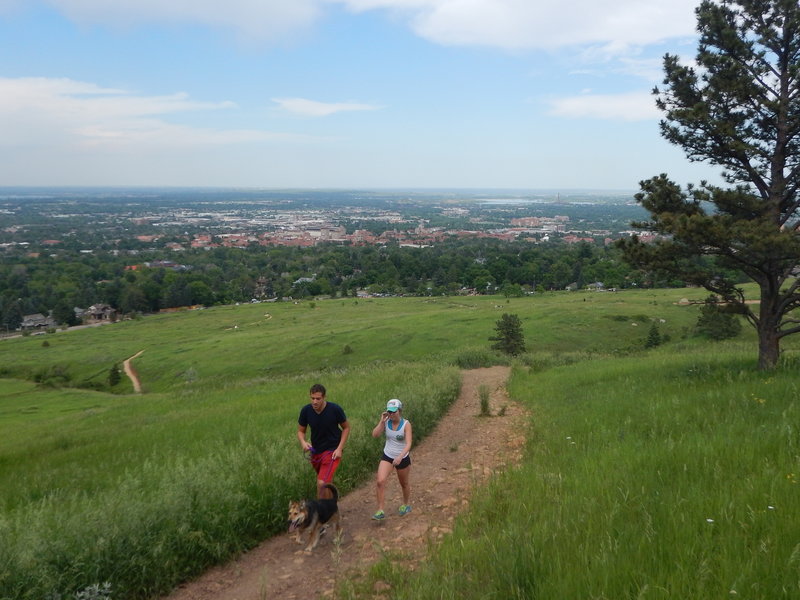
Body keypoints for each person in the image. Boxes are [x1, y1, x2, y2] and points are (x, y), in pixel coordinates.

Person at [297, 383, 350, 498]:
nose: (315, 402)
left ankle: (320, 513)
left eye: (318, 399)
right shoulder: (306, 411)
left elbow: (346, 428)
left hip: (332, 451)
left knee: (321, 483)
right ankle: (332, 508)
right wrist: (303, 442)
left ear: (324, 397)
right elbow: (301, 431)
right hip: (316, 452)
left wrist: (339, 448)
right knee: (326, 482)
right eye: (312, 398)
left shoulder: (335, 409)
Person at [371, 398, 412, 520]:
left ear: (399, 411)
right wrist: (381, 422)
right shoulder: (386, 421)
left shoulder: (406, 424)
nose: (391, 414)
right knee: (380, 481)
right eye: (389, 411)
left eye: (394, 411)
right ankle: (380, 510)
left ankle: (405, 504)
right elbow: (375, 435)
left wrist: (400, 457)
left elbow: (409, 443)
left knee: (404, 483)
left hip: (402, 457)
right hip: (388, 455)